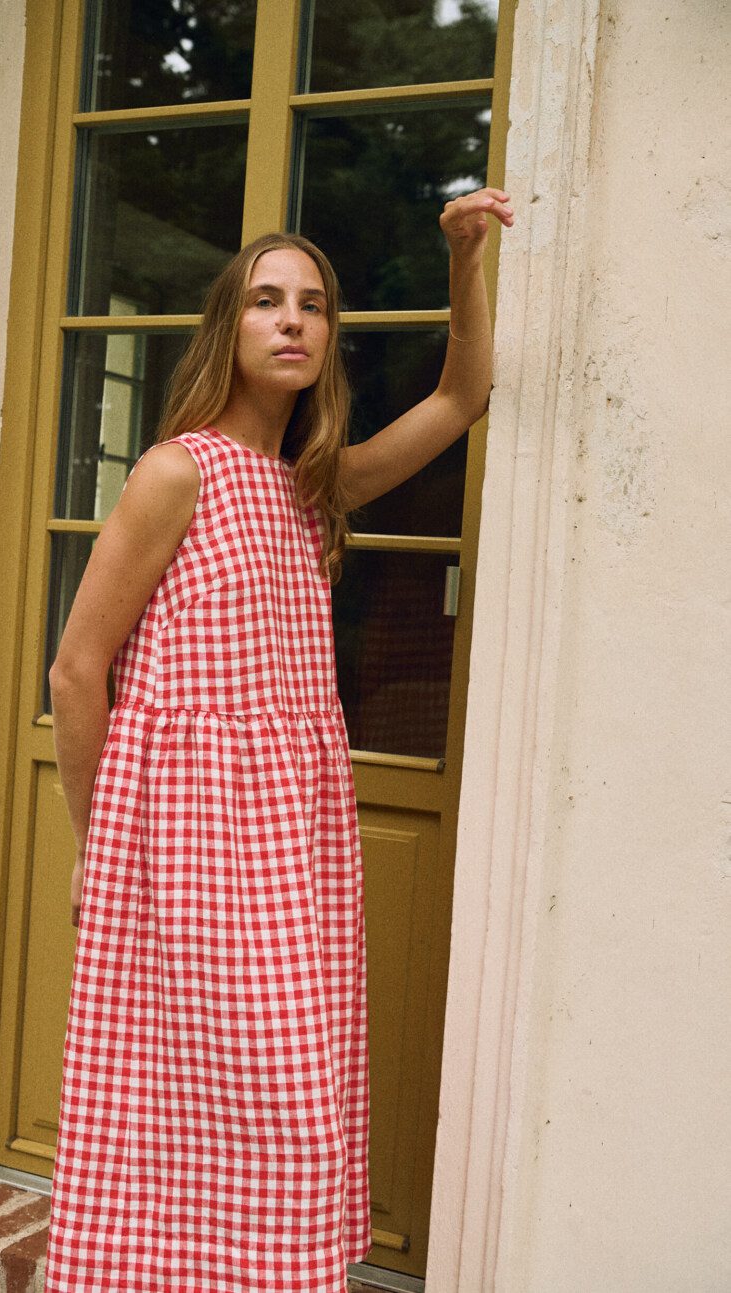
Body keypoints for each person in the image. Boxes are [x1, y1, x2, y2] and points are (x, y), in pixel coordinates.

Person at [43, 187, 514, 1292]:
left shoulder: (313, 485)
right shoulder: (180, 470)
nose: (292, 321)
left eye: (312, 305)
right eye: (266, 302)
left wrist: (460, 264)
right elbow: (77, 667)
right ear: (230, 329)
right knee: (182, 1093)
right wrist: (96, 849)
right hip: (184, 835)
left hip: (287, 842)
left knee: (285, 1101)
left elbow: (462, 395)